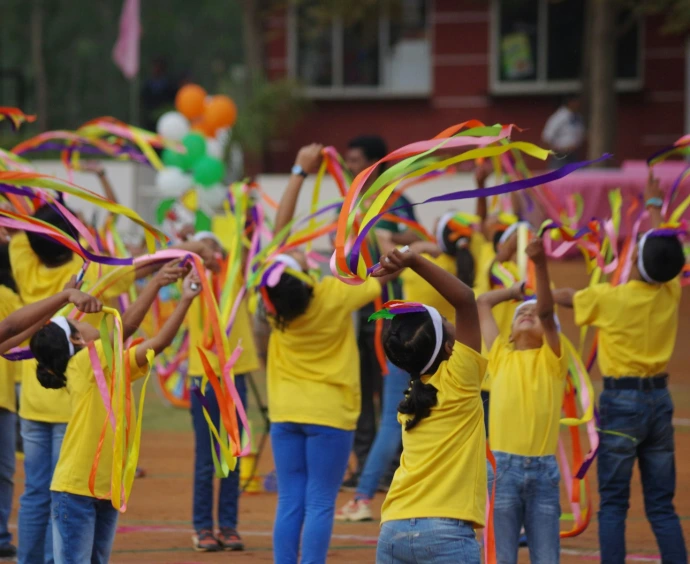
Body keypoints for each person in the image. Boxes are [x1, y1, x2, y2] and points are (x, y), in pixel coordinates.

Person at [9, 204, 217, 564]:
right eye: (78, 322)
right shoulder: (91, 358)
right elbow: (131, 324)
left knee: (38, 499)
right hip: (76, 462)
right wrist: (171, 275)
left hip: (63, 436)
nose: (89, 320)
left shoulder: (24, 263)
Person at [264, 144, 396, 564]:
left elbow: (279, 235)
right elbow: (375, 268)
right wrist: (359, 206)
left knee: (291, 501)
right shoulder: (333, 296)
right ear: (303, 275)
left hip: (285, 413)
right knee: (320, 502)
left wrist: (299, 173)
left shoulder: (272, 305)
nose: (297, 249)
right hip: (330, 415)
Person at [553, 175, 688, 564]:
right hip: (659, 402)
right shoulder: (670, 290)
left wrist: (535, 290)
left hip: (620, 404)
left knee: (614, 504)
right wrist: (655, 208)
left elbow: (566, 297)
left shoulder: (608, 299)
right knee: (662, 506)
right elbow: (665, 255)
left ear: (638, 263)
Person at [30, 262, 199, 564]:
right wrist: (156, 282)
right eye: (78, 323)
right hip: (76, 491)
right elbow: (125, 327)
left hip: (106, 489)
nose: (87, 320)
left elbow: (160, 343)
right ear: (77, 341)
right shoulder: (80, 366)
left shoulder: (109, 367)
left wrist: (185, 299)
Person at [336, 219, 477, 522]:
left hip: (410, 355)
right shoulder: (460, 267)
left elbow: (385, 250)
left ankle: (362, 497)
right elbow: (466, 299)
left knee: (392, 424)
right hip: (446, 358)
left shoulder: (421, 265)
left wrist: (412, 250)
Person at [370, 247, 486, 564]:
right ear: (451, 349)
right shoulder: (461, 378)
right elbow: (465, 299)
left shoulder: (409, 399)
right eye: (447, 321)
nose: (454, 321)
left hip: (393, 528)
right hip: (445, 532)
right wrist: (414, 260)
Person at [477, 238, 567, 564]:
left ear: (550, 327)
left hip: (543, 473)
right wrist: (514, 292)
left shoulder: (554, 359)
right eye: (519, 314)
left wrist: (541, 266)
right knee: (502, 558)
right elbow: (483, 302)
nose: (528, 313)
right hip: (502, 471)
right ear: (510, 334)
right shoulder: (500, 354)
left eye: (534, 313)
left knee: (546, 559)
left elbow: (545, 307)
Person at [341, 135, 420, 491]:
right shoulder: (350, 205)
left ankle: (392, 468)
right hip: (359, 312)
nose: (349, 167)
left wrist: (393, 239)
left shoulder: (397, 203)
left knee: (396, 395)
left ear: (374, 165)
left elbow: (415, 241)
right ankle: (364, 464)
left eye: (355, 160)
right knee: (362, 391)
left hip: (394, 313)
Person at [187, 231, 259, 552]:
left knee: (233, 455)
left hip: (234, 378)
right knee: (206, 459)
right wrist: (200, 253)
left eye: (215, 246)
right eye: (205, 247)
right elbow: (195, 254)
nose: (211, 252)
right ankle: (202, 527)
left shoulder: (236, 278)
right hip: (203, 379)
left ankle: (228, 526)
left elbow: (243, 252)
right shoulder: (189, 281)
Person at [541, 95, 585, 167]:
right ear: (570, 102)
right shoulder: (559, 117)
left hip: (573, 154)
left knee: (574, 176)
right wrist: (557, 150)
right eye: (577, 102)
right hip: (560, 155)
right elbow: (546, 137)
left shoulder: (578, 117)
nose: (579, 104)